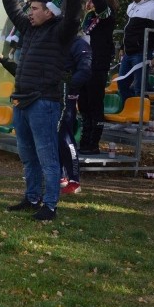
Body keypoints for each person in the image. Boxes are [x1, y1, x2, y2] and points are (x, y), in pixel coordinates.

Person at [0, 0, 82, 221]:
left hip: (44, 101)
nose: (30, 12)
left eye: (35, 8)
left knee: (47, 156)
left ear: (49, 12)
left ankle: (49, 205)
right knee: (28, 155)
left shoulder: (61, 31)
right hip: (22, 100)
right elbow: (13, 10)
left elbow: (74, 15)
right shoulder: (30, 28)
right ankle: (32, 197)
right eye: (31, 7)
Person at [74, 0, 118, 155]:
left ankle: (94, 142)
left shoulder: (107, 16)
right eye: (89, 0)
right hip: (83, 65)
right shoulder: (87, 20)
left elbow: (102, 5)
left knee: (94, 103)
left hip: (97, 65)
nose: (90, 2)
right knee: (83, 103)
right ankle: (85, 138)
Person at [117, 0, 154, 102]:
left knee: (140, 87)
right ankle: (130, 108)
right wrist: (123, 47)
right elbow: (129, 30)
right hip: (128, 53)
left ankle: (141, 115)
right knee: (122, 83)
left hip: (141, 53)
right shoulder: (131, 6)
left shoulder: (153, 8)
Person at [58, 33, 92, 194]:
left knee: (66, 138)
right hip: (51, 96)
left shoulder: (79, 44)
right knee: (53, 137)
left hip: (67, 98)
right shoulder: (55, 39)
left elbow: (85, 70)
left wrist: (69, 87)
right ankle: (59, 175)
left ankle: (74, 180)